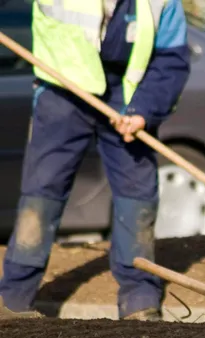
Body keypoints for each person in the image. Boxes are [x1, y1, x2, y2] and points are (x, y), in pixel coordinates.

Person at [0, 0, 191, 321]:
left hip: (128, 95)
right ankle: (14, 298)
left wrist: (143, 111)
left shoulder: (163, 2)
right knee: (41, 193)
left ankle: (139, 297)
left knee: (137, 195)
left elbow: (171, 58)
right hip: (62, 87)